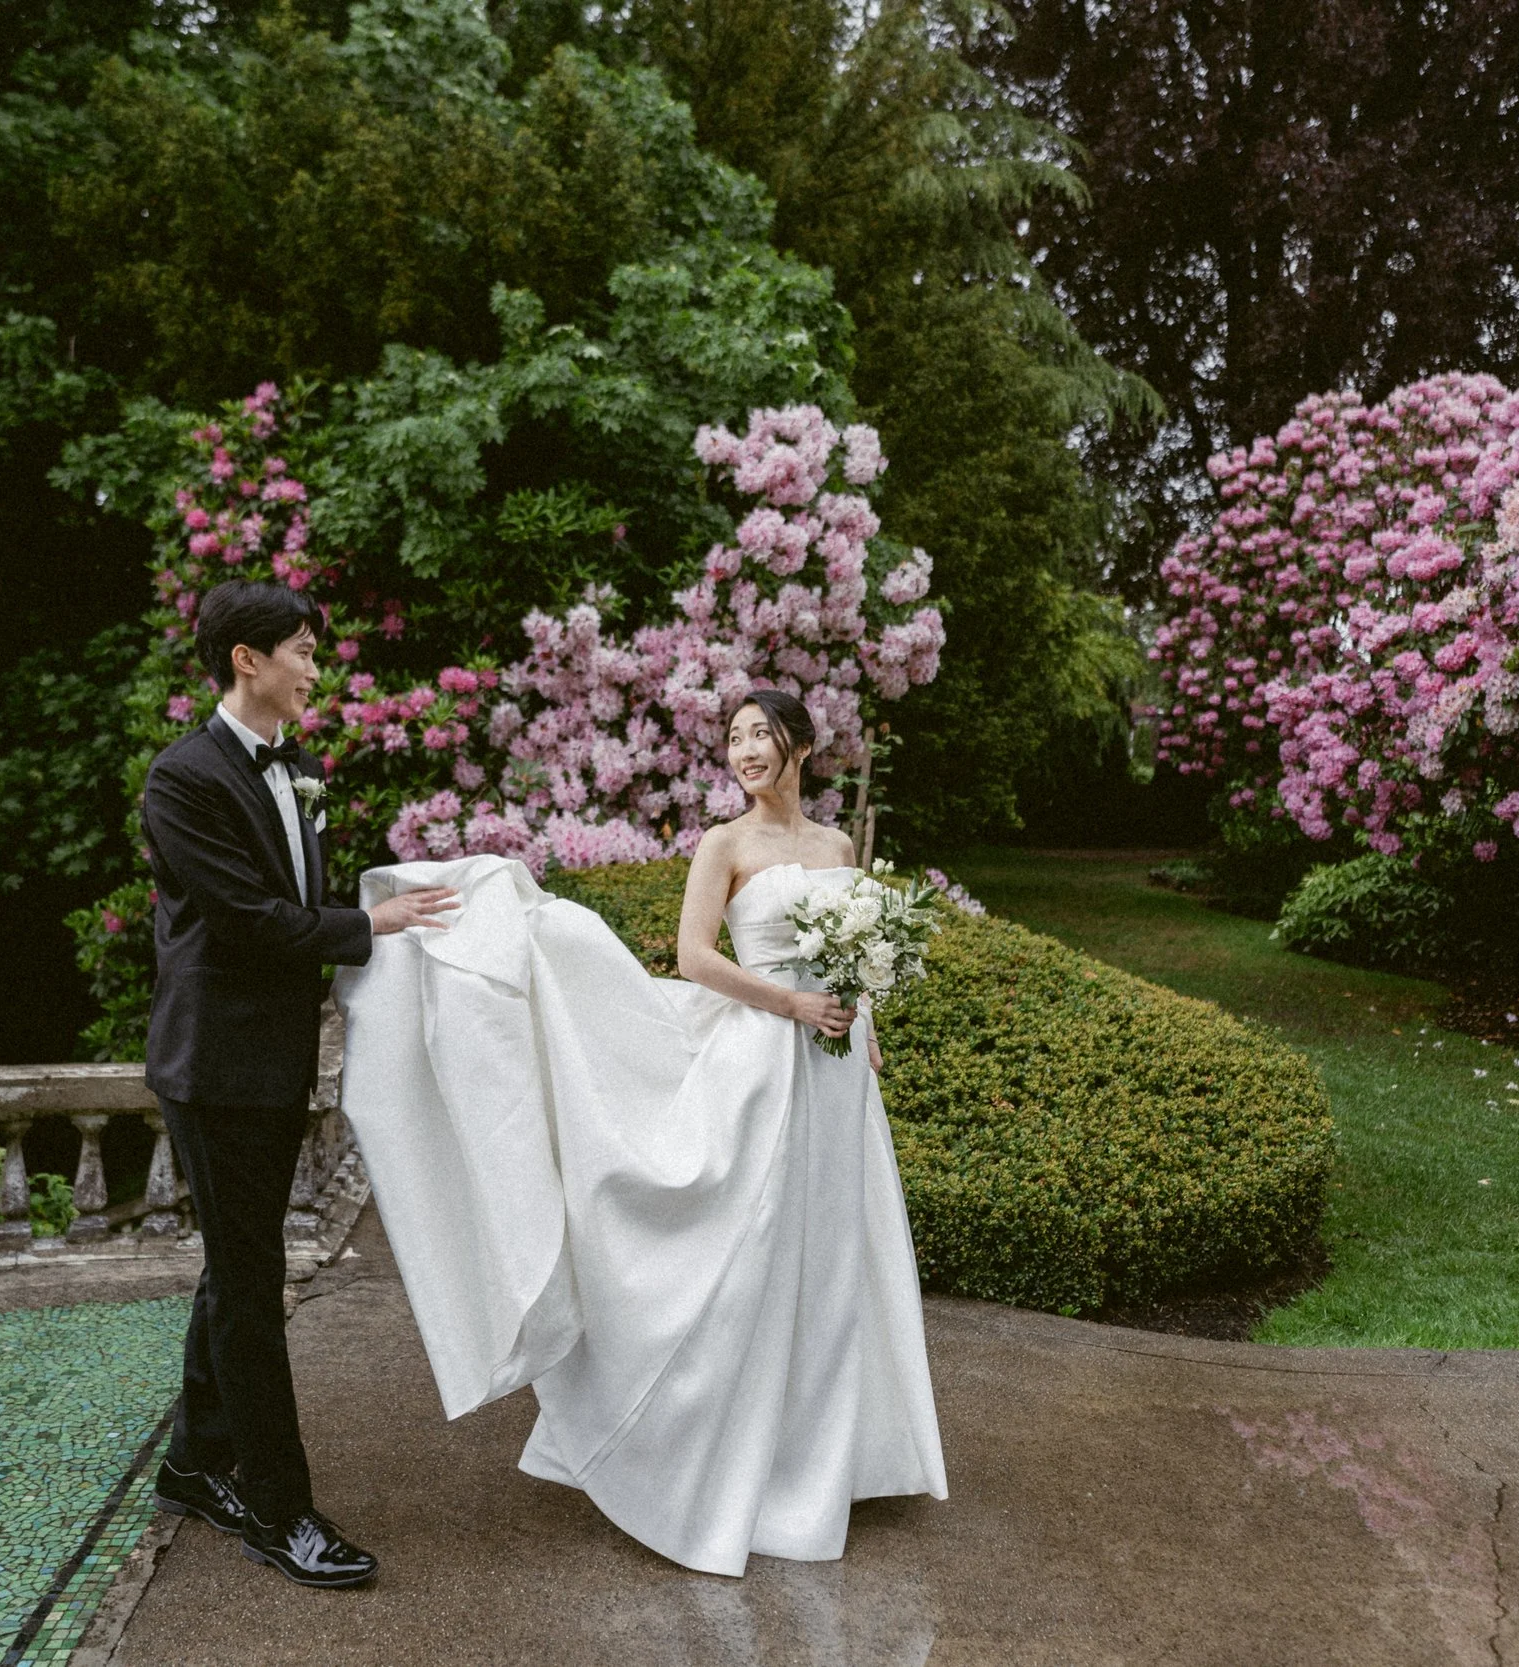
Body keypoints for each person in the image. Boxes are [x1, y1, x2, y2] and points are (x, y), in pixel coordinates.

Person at [335, 688, 948, 1577]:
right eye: (733, 736)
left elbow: (855, 963)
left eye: (760, 734)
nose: (745, 750)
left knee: (834, 1259)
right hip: (765, 1062)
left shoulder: (838, 847)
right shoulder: (724, 844)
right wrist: (791, 1004)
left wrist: (867, 1032)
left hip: (839, 1071)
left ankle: (827, 1459)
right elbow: (696, 957)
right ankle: (702, 1452)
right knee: (754, 1257)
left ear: (802, 744)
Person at [140, 580, 457, 1589]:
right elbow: (244, 920)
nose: (317, 668)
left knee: (236, 1267)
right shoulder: (181, 777)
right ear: (248, 658)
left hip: (274, 1059)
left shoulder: (303, 767)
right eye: (305, 651)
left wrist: (382, 912)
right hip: (215, 1065)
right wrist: (370, 926)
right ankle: (279, 1511)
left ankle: (192, 1464)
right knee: (249, 1284)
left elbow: (299, 899)